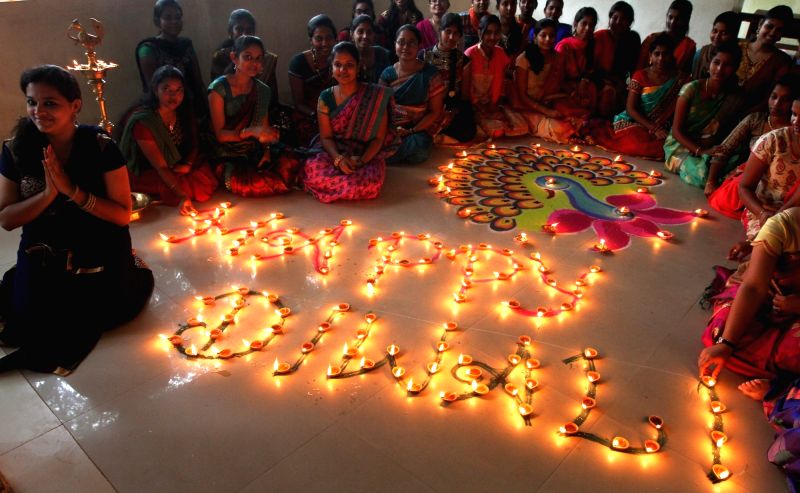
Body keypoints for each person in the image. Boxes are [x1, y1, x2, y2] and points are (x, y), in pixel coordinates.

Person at [0, 65, 153, 374]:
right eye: (32, 102)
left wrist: (71, 190)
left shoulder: (101, 146)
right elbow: (6, 218)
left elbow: (122, 214)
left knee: (104, 310)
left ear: (75, 106)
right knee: (31, 316)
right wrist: (47, 196)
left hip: (98, 250)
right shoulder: (16, 150)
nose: (38, 111)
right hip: (43, 251)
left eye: (50, 103)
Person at [698, 209, 800, 490]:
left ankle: (779, 386)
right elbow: (754, 287)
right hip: (763, 300)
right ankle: (782, 380)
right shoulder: (785, 224)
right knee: (719, 333)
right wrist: (726, 344)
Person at [302, 43, 394, 203]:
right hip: (334, 150)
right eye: (338, 65)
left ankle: (346, 181)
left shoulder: (375, 97)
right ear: (331, 68)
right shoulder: (325, 97)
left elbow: (378, 139)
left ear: (359, 67)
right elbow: (326, 138)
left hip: (364, 152)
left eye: (349, 65)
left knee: (367, 183)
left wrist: (361, 161)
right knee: (314, 169)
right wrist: (338, 159)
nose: (343, 70)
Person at [209, 36, 300, 197]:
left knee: (291, 163)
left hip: (253, 149)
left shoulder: (262, 90)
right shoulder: (218, 89)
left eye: (258, 59)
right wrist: (251, 132)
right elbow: (220, 135)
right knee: (247, 184)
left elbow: (262, 131)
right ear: (234, 58)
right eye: (248, 57)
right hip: (227, 152)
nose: (254, 63)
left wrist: (266, 150)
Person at [119, 66, 217, 215]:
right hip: (150, 170)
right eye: (167, 89)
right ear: (155, 89)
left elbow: (194, 145)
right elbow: (161, 167)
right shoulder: (144, 122)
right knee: (189, 186)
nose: (174, 96)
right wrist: (183, 196)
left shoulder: (183, 110)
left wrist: (188, 164)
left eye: (179, 90)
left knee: (204, 176)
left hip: (177, 165)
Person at [588, 34, 687, 159]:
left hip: (664, 127)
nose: (661, 58)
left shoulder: (680, 79)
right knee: (637, 141)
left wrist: (663, 130)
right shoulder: (641, 76)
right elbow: (631, 109)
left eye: (665, 54)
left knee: (671, 144)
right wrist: (654, 128)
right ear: (650, 56)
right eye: (657, 54)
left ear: (672, 56)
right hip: (634, 122)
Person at [707, 77, 795, 217]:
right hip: (750, 178)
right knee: (732, 191)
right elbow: (725, 148)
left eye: (785, 100)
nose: (776, 103)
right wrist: (711, 181)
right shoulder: (756, 120)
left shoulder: (794, 131)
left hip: (781, 186)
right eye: (774, 97)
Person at [663, 41, 743, 192]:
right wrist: (701, 151)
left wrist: (711, 149)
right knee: (704, 176)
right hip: (680, 147)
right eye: (716, 62)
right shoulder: (690, 90)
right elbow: (676, 132)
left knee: (736, 159)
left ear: (735, 68)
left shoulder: (733, 97)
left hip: (709, 146)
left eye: (727, 65)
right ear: (709, 63)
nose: (720, 69)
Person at [737, 94, 800, 240]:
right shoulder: (773, 140)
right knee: (775, 242)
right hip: (765, 211)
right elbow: (744, 187)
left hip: (795, 213)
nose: (796, 121)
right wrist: (762, 213)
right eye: (794, 114)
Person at [381, 25, 445, 164]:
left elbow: (434, 112)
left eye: (411, 43)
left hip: (417, 129)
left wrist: (411, 131)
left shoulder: (430, 74)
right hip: (391, 128)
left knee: (419, 149)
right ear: (395, 45)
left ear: (419, 46)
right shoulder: (388, 74)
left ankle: (385, 157)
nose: (406, 47)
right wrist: (391, 130)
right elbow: (380, 109)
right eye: (401, 42)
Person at [513, 19, 580, 143]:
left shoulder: (557, 57)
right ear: (535, 37)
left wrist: (570, 92)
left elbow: (558, 84)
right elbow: (522, 96)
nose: (548, 39)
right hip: (527, 106)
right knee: (561, 128)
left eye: (552, 35)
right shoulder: (524, 59)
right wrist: (547, 111)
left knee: (576, 115)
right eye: (543, 35)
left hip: (548, 100)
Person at [136, 0, 206, 117]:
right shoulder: (148, 49)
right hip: (163, 108)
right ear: (158, 21)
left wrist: (204, 108)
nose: (174, 21)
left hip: (190, 106)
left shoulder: (186, 45)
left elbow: (198, 82)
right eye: (168, 18)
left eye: (178, 17)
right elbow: (152, 86)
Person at [464, 15, 528, 139]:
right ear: (479, 32)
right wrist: (479, 106)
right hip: (474, 106)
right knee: (496, 131)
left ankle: (491, 123)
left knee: (522, 126)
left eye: (496, 33)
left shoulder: (500, 53)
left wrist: (493, 105)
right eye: (488, 32)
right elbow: (467, 87)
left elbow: (499, 82)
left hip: (493, 104)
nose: (492, 37)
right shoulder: (470, 54)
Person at [420, 12, 477, 143]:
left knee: (468, 130)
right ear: (439, 32)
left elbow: (464, 96)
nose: (451, 37)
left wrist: (453, 112)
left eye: (456, 33)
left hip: (451, 108)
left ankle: (439, 134)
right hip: (427, 108)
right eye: (448, 31)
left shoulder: (464, 61)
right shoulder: (424, 56)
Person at [210, 9, 279, 112]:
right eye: (239, 29)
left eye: (249, 30)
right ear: (230, 32)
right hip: (228, 115)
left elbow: (272, 96)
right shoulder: (221, 57)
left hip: (260, 113)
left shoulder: (266, 59)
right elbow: (217, 93)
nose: (244, 34)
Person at [289, 15, 337, 147]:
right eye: (319, 38)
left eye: (329, 38)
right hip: (308, 115)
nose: (325, 43)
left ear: (335, 39)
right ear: (311, 40)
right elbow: (298, 103)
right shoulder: (298, 62)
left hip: (335, 113)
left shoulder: (339, 61)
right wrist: (317, 116)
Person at [736, 6, 794, 114]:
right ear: (760, 24)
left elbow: (771, 97)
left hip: (752, 116)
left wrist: (745, 116)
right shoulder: (736, 48)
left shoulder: (781, 62)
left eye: (779, 30)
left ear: (781, 35)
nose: (772, 33)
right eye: (769, 26)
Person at [592, 1, 641, 117]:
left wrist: (628, 86)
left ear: (630, 22)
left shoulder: (632, 39)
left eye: (623, 19)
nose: (618, 22)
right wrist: (613, 81)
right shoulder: (599, 36)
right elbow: (591, 66)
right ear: (609, 19)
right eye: (615, 17)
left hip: (622, 83)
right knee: (609, 92)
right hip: (598, 78)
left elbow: (633, 68)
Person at [555, 7, 599, 114]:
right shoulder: (564, 46)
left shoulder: (592, 45)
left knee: (592, 89)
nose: (588, 28)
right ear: (575, 24)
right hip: (562, 89)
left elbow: (590, 71)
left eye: (591, 25)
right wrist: (572, 89)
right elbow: (555, 76)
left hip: (581, 87)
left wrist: (584, 81)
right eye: (584, 23)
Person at [637, 0, 696, 74]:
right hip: (644, 83)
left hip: (674, 85)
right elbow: (638, 69)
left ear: (686, 21)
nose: (672, 22)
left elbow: (685, 75)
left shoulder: (689, 46)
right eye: (670, 17)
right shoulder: (651, 39)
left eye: (678, 19)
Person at [691, 11, 740, 80]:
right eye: (715, 31)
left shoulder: (737, 58)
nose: (717, 36)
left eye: (724, 33)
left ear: (733, 35)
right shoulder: (700, 54)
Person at [351, 15, 393, 83]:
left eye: (369, 32)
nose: (365, 36)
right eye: (360, 32)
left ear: (374, 35)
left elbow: (389, 80)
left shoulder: (382, 54)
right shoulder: (347, 56)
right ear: (352, 34)